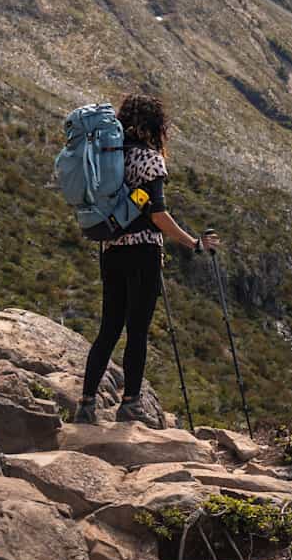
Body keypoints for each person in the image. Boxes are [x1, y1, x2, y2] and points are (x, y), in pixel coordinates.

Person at [74, 94, 218, 424]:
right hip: (143, 253)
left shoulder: (109, 156)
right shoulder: (149, 159)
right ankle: (130, 404)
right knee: (137, 331)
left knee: (108, 329)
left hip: (111, 251)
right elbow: (158, 214)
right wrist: (193, 243)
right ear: (155, 125)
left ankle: (86, 403)